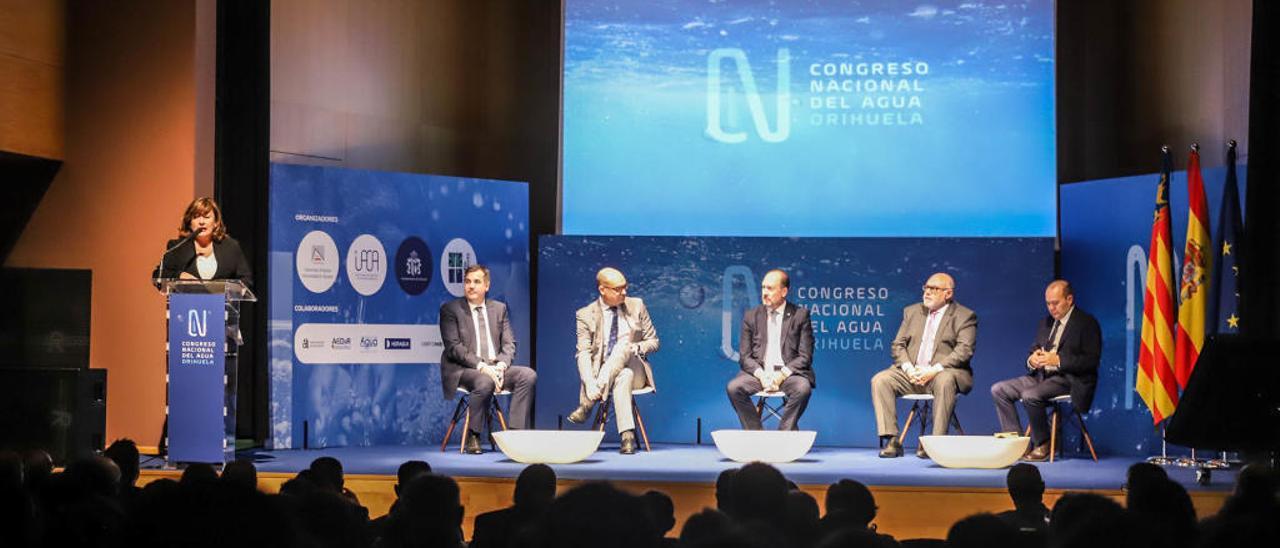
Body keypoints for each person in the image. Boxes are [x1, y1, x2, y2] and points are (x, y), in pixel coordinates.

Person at [990, 280, 1101, 461]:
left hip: (1068, 380)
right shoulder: (1046, 323)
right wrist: (1032, 360)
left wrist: (1058, 360)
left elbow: (1091, 361)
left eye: (1055, 303)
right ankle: (1018, 445)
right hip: (1041, 377)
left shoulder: (1086, 323)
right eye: (1048, 303)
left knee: (1030, 395)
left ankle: (1043, 444)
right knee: (999, 389)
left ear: (1069, 299)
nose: (1051, 308)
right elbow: (1034, 349)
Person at [872, 272, 978, 458]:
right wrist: (908, 369)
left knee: (945, 380)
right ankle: (892, 440)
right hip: (912, 373)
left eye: (934, 289)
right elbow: (898, 345)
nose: (927, 292)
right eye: (926, 288)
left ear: (948, 293)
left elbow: (964, 351)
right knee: (881, 380)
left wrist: (933, 370)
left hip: (942, 374)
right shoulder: (912, 312)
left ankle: (935, 443)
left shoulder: (964, 316)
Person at [439, 264, 537, 454]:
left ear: (487, 286)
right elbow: (454, 348)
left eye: (477, 282)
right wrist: (483, 367)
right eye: (467, 282)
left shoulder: (499, 309)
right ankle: (474, 436)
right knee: (484, 381)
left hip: (495, 367)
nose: (471, 286)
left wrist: (500, 366)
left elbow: (509, 344)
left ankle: (515, 435)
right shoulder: (450, 310)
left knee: (528, 375)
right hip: (464, 370)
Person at [566, 267, 660, 455]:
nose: (624, 292)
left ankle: (587, 405)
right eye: (618, 289)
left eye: (625, 287)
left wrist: (638, 347)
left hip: (636, 368)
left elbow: (654, 341)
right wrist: (590, 383)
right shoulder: (585, 315)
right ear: (603, 290)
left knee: (623, 346)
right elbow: (583, 353)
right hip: (610, 375)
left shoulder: (637, 305)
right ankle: (627, 436)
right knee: (623, 375)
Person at [726, 269, 816, 431]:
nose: (764, 293)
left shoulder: (800, 316)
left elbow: (805, 357)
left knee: (803, 388)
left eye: (770, 288)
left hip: (789, 375)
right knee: (734, 388)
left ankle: (784, 433)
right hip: (760, 374)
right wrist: (762, 375)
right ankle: (755, 433)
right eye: (763, 288)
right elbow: (745, 357)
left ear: (783, 292)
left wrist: (781, 376)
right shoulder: (751, 316)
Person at [153, 196, 252, 288]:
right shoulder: (178, 247)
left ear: (216, 223)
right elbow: (158, 275)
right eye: (196, 217)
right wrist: (179, 275)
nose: (201, 222)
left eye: (206, 217)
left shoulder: (230, 247)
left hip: (220, 305)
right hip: (187, 305)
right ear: (189, 223)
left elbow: (246, 280)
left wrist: (224, 288)